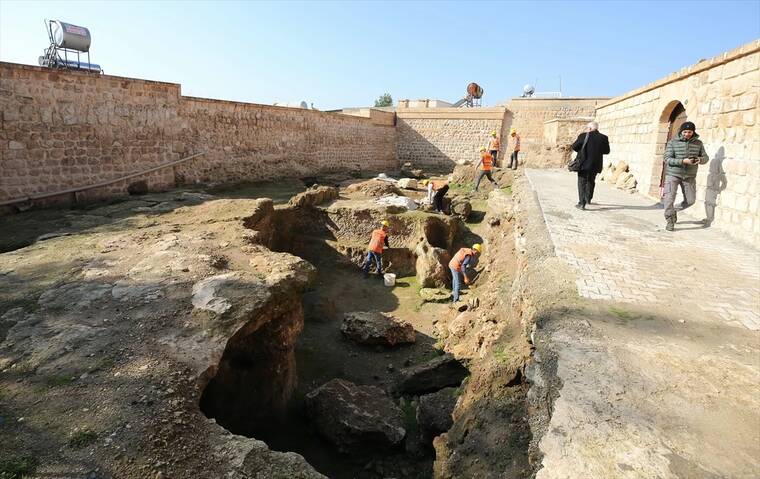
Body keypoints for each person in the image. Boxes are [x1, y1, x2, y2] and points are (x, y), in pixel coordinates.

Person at [662, 121, 709, 231]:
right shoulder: (673, 142)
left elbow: (705, 158)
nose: (687, 134)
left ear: (693, 132)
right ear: (681, 131)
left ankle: (673, 211)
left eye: (690, 132)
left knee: (690, 200)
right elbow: (667, 159)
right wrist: (683, 161)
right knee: (669, 199)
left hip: (690, 176)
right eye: (685, 132)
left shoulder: (698, 143)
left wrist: (699, 160)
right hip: (673, 174)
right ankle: (669, 220)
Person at [571, 121, 610, 210]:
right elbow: (607, 151)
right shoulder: (604, 137)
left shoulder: (583, 136)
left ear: (589, 128)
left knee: (582, 182)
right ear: (597, 128)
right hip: (596, 164)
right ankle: (588, 199)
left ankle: (581, 203)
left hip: (583, 163)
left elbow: (574, 147)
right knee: (591, 181)